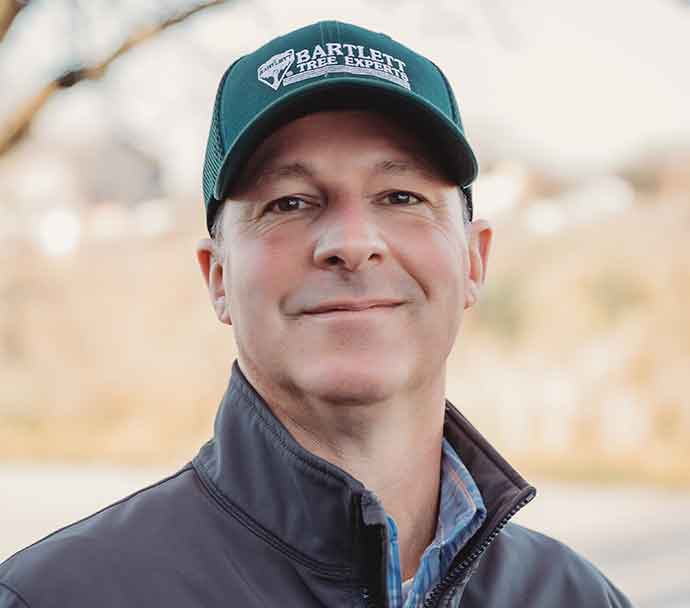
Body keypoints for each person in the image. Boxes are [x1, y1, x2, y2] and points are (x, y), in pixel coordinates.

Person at [0, 21, 633, 608]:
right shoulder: (57, 597)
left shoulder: (575, 596)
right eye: (289, 202)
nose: (352, 243)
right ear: (217, 277)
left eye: (401, 196)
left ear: (473, 259)